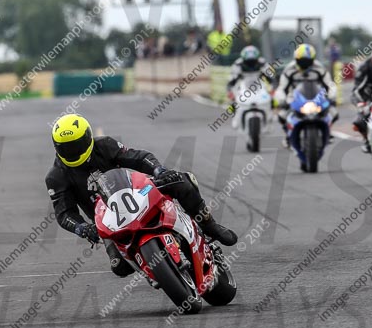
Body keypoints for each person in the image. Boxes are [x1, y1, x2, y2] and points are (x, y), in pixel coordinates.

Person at [46, 114, 238, 277]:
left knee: (181, 181)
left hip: (139, 193)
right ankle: (159, 270)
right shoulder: (56, 176)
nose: (72, 151)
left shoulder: (104, 145)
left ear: (87, 138)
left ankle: (209, 225)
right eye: (66, 147)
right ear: (56, 147)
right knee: (119, 268)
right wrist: (82, 228)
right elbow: (64, 214)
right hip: (109, 220)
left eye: (76, 145)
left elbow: (139, 157)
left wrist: (159, 170)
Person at [274, 44, 337, 147]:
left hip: (316, 97)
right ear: (296, 59)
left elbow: (330, 85)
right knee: (282, 115)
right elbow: (282, 87)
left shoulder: (320, 68)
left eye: (307, 61)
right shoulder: (289, 70)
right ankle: (288, 135)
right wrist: (282, 100)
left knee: (333, 112)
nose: (304, 64)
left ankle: (328, 132)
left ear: (312, 59)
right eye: (301, 60)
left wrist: (331, 97)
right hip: (295, 98)